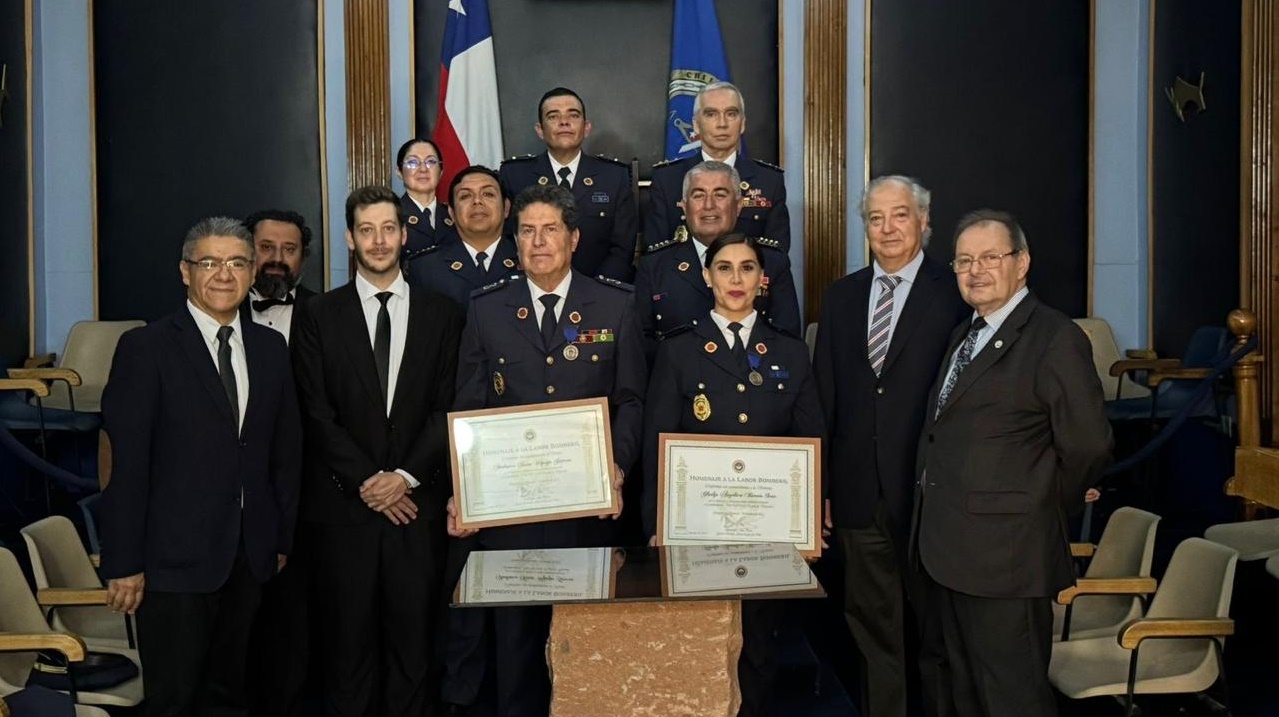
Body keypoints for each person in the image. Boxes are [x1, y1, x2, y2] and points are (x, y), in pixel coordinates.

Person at [441, 184, 645, 717]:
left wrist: (617, 469)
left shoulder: (616, 304)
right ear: (515, 243)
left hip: (590, 513)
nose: (538, 241)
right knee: (516, 654)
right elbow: (471, 407)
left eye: (550, 229)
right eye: (527, 231)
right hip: (512, 518)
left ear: (574, 238)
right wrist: (464, 488)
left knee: (587, 649)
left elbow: (630, 400)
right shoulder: (487, 310)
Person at [912, 209, 1112, 717]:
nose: (975, 270)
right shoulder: (965, 334)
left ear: (1021, 263)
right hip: (950, 554)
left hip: (1008, 559)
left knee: (1012, 698)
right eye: (963, 260)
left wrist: (1040, 505)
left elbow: (1088, 445)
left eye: (989, 257)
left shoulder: (1054, 337)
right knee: (966, 694)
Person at [99, 217, 302, 717]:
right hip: (172, 564)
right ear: (184, 272)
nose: (223, 275)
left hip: (248, 558)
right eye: (209, 262)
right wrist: (123, 562)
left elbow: (284, 451)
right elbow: (126, 465)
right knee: (174, 700)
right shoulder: (145, 348)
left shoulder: (270, 349)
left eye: (236, 263)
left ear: (253, 272)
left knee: (230, 697)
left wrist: (277, 537)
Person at [292, 185, 464, 716]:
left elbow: (448, 407)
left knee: (415, 652)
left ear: (405, 233)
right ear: (350, 238)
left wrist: (405, 477)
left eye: (389, 228)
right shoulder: (318, 315)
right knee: (346, 656)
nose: (379, 240)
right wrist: (371, 481)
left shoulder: (445, 314)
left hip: (418, 513)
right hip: (344, 514)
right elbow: (315, 413)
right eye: (366, 230)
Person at [642, 233, 823, 717]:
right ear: (707, 277)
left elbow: (810, 439)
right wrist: (656, 522)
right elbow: (656, 441)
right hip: (696, 528)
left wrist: (810, 516)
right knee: (701, 644)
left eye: (747, 269)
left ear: (763, 281)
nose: (736, 279)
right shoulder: (678, 350)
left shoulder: (790, 351)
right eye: (724, 268)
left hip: (768, 531)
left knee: (760, 646)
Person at [812, 176, 968, 717]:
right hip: (858, 495)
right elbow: (824, 400)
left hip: (931, 495)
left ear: (924, 222)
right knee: (873, 630)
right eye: (876, 218)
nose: (888, 229)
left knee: (937, 631)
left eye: (900, 215)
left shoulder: (956, 293)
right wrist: (822, 487)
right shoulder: (840, 296)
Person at [634, 160, 800, 358]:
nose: (708, 205)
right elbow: (640, 346)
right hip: (678, 383)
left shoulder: (772, 262)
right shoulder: (655, 266)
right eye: (698, 195)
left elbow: (788, 343)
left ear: (738, 206)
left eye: (720, 195)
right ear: (684, 207)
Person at [500, 87, 637, 282]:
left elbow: (623, 249)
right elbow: (506, 242)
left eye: (573, 115)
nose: (564, 122)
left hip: (599, 293)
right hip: (533, 291)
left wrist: (597, 291)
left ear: (586, 127)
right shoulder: (515, 176)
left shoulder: (614, 176)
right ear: (540, 130)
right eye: (553, 116)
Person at [644, 81, 788, 250]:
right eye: (711, 114)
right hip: (683, 275)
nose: (722, 124)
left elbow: (777, 255)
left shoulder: (769, 181)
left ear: (742, 124)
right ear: (696, 125)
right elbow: (655, 252)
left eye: (731, 114)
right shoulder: (667, 179)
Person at [405, 165, 520, 307]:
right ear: (452, 213)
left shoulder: (527, 258)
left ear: (506, 208)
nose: (477, 201)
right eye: (465, 196)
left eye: (488, 194)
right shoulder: (425, 268)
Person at [241, 209, 316, 344]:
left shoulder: (323, 313)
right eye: (266, 247)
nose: (277, 259)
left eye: (289, 249)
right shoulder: (226, 306)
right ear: (247, 251)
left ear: (303, 257)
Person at [396, 137, 458, 259]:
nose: (423, 169)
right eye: (413, 162)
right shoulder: (392, 215)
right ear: (399, 172)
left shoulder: (455, 215)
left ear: (441, 172)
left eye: (431, 162)